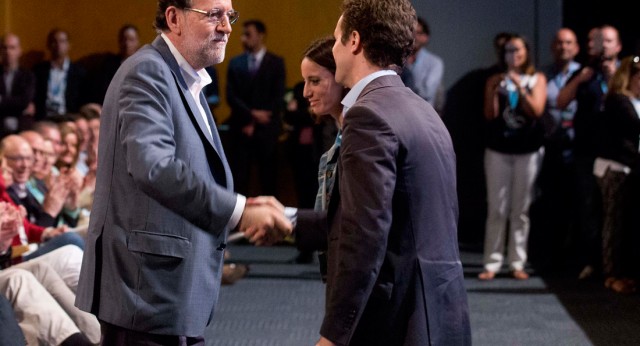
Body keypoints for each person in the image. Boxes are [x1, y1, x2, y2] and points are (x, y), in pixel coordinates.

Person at [249, 1, 471, 344]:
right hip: (437, 314)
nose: (334, 49)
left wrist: (334, 335)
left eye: (337, 40)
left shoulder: (369, 116)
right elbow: (398, 220)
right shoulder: (421, 109)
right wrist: (292, 220)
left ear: (354, 41)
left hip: (396, 321)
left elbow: (363, 237)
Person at [74, 0, 292, 343]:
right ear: (174, 18)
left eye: (229, 15)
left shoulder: (184, 76)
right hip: (144, 293)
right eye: (214, 15)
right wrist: (239, 212)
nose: (227, 27)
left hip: (165, 293)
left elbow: (192, 167)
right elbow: (154, 167)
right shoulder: (147, 71)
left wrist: (246, 203)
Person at [479, 33, 547, 281]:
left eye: (518, 50)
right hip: (498, 149)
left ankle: (517, 261)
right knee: (497, 208)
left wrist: (520, 86)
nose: (514, 55)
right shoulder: (495, 79)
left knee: (521, 210)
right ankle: (492, 262)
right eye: (509, 50)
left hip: (527, 150)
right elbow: (490, 115)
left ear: (526, 52)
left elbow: (536, 110)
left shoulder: (536, 78)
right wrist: (492, 88)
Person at [531, 28, 581, 272]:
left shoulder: (584, 74)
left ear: (577, 47)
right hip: (550, 145)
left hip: (578, 146)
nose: (564, 47)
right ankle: (550, 258)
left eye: (569, 43)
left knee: (577, 203)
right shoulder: (543, 75)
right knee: (550, 203)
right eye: (560, 43)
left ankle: (574, 257)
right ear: (553, 46)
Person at [593, 55, 640, 293]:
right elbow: (633, 127)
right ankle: (611, 274)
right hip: (614, 168)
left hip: (630, 168)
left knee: (626, 223)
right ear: (629, 77)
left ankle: (623, 272)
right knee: (614, 222)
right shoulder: (618, 100)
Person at [226, 19, 286, 196]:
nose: (244, 38)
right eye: (243, 34)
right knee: (240, 179)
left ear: (261, 35)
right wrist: (251, 115)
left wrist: (262, 117)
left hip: (267, 130)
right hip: (241, 128)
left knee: (269, 178)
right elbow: (231, 96)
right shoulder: (235, 63)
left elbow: (279, 95)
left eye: (248, 34)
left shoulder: (276, 63)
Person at [33, 29, 87, 119]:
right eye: (54, 41)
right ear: (48, 45)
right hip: (45, 116)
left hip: (69, 116)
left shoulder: (79, 72)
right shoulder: (39, 71)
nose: (58, 45)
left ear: (69, 45)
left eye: (62, 41)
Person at [401, 17, 445, 114]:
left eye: (419, 33)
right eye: (411, 32)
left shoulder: (434, 63)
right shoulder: (398, 59)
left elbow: (426, 92)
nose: (414, 36)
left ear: (426, 37)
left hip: (422, 115)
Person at [0, 33, 36, 137]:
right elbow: (22, 104)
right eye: (4, 48)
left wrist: (1, 100)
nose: (8, 52)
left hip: (22, 126)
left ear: (19, 51)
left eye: (12, 48)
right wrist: (20, 106)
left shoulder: (28, 75)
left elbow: (24, 101)